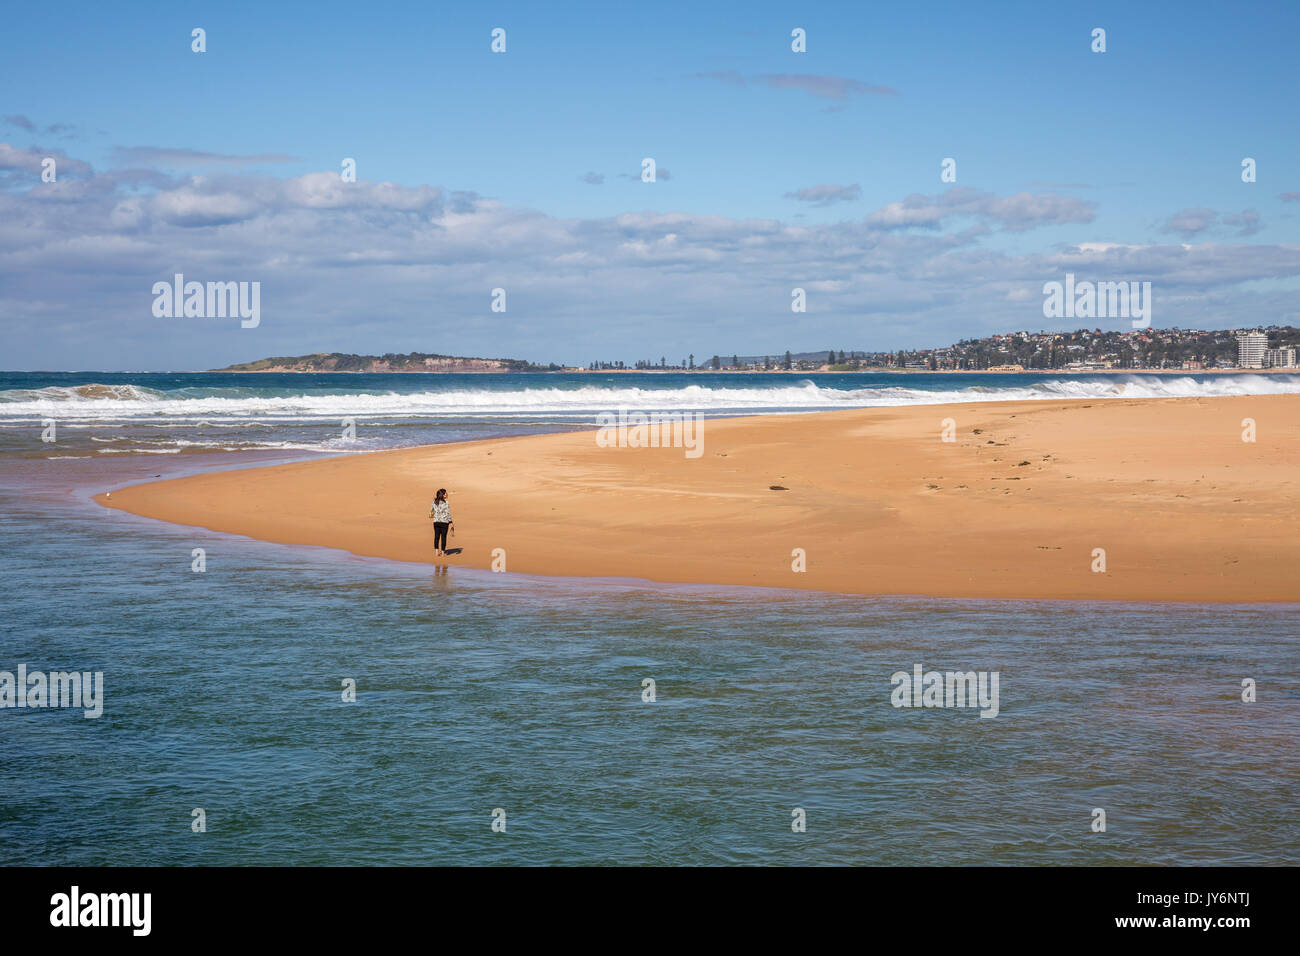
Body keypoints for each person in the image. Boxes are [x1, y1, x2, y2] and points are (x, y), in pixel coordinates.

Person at [429, 488, 454, 557]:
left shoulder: (434, 501)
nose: (447, 494)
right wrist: (451, 522)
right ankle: (443, 553)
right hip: (444, 522)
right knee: (443, 537)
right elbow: (448, 513)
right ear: (442, 495)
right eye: (445, 493)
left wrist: (434, 517)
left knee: (436, 537)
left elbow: (431, 511)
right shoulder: (446, 502)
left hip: (436, 522)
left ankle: (436, 552)